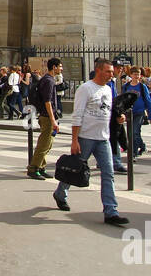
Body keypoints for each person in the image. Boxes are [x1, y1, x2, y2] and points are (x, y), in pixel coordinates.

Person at [52, 59, 128, 224]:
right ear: (99, 70)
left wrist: (119, 118)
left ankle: (111, 211)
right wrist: (74, 140)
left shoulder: (108, 89)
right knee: (75, 169)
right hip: (86, 137)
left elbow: (109, 109)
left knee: (108, 174)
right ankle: (60, 193)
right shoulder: (85, 88)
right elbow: (77, 114)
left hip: (103, 138)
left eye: (112, 71)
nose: (111, 74)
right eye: (108, 71)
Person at [27, 58, 62, 180]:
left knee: (47, 144)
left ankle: (41, 167)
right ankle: (33, 168)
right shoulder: (48, 81)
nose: (61, 69)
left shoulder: (48, 79)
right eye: (60, 66)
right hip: (47, 117)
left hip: (47, 116)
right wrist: (53, 120)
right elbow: (47, 101)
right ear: (54, 67)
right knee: (43, 145)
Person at [121, 72, 151, 159]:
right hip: (129, 112)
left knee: (135, 132)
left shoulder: (142, 87)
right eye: (134, 74)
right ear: (131, 75)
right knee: (131, 133)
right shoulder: (126, 86)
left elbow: (148, 100)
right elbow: (122, 99)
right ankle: (142, 146)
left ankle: (133, 153)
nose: (136, 76)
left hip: (139, 112)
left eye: (138, 74)